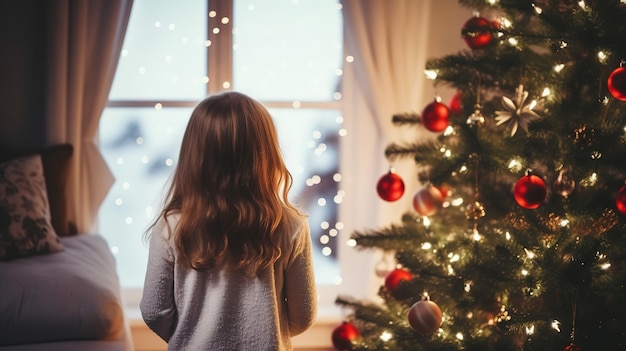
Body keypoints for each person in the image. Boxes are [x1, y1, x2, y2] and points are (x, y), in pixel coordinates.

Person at [140, 91, 318, 350]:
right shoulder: (290, 224)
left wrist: (192, 336)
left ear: (194, 155)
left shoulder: (171, 226)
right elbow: (304, 315)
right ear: (265, 153)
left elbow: (155, 311)